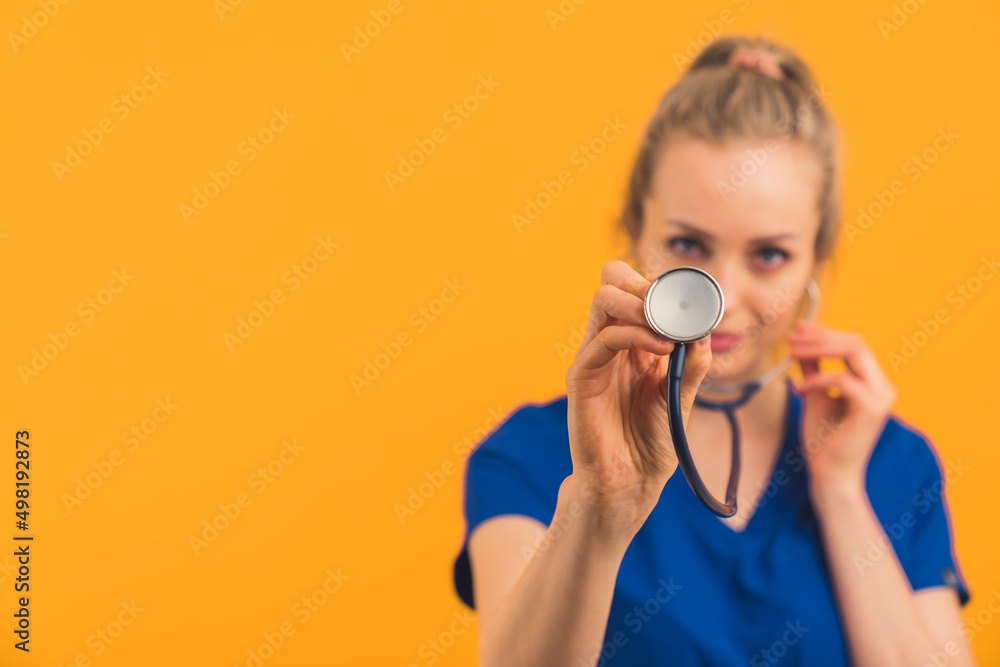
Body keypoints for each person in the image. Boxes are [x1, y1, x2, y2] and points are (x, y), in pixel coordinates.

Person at [451, 34, 974, 666]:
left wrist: (839, 490)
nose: (720, 299)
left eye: (770, 255)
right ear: (633, 231)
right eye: (689, 246)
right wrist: (602, 499)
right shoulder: (530, 457)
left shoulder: (894, 463)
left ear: (817, 257)